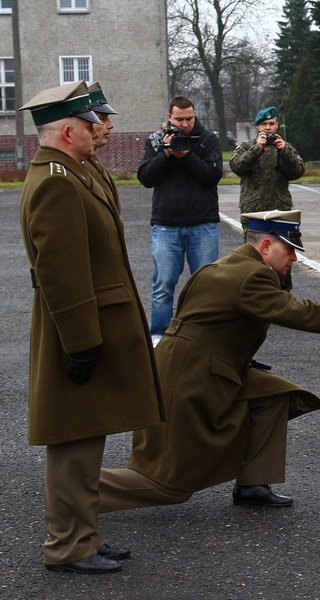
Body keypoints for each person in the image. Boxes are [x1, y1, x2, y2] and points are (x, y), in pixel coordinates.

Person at [97, 210, 320, 512]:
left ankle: (254, 484)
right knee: (168, 486)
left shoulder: (224, 266)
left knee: (274, 397)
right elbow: (299, 313)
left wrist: (234, 356)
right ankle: (76, 492)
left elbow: (201, 325)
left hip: (196, 368)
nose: (294, 259)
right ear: (265, 247)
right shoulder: (254, 275)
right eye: (289, 250)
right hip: (189, 381)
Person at [18, 81, 165, 574]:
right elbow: (62, 273)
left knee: (87, 438)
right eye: (89, 124)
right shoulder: (57, 181)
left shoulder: (76, 171)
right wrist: (81, 343)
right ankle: (68, 545)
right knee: (72, 445)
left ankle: (85, 535)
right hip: (76, 332)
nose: (99, 129)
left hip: (91, 327)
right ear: (66, 130)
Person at [137, 95, 223, 345]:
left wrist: (186, 155)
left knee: (206, 285)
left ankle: (207, 333)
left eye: (189, 118)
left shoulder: (208, 139)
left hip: (202, 224)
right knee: (163, 284)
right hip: (166, 225)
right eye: (179, 119)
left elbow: (212, 176)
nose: (185, 124)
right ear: (169, 117)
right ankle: (159, 336)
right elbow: (145, 178)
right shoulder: (156, 140)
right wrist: (165, 154)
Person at [229, 106, 305, 291]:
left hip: (280, 213)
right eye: (264, 124)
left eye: (271, 124)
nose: (268, 128)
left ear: (277, 125)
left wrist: (284, 150)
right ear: (257, 126)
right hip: (254, 213)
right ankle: (253, 296)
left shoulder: (285, 147)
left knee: (283, 258)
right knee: (252, 260)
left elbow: (298, 171)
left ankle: (283, 298)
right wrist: (258, 148)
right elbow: (237, 166)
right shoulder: (247, 147)